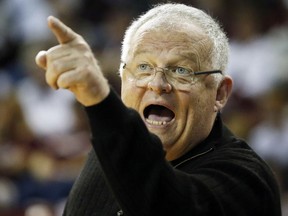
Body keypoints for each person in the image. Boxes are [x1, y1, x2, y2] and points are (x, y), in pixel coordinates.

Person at [35, 3, 281, 216]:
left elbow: (167, 206)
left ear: (220, 93)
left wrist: (100, 100)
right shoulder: (106, 157)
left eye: (181, 71)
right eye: (143, 67)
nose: (157, 84)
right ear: (122, 78)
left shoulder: (246, 179)